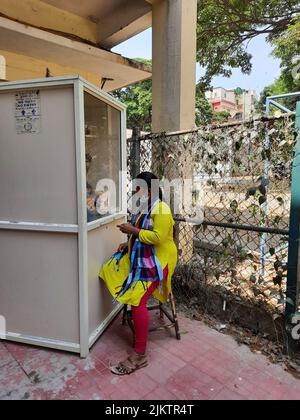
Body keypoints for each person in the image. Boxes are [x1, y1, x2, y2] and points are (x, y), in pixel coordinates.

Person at [99, 172, 177, 375]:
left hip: (157, 262)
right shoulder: (146, 208)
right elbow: (144, 233)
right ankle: (126, 297)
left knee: (137, 301)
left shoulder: (162, 209)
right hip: (143, 256)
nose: (134, 193)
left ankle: (140, 356)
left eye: (137, 189)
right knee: (109, 269)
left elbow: (158, 237)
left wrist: (132, 232)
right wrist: (128, 243)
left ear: (148, 190)